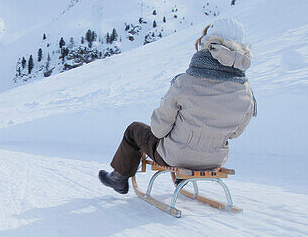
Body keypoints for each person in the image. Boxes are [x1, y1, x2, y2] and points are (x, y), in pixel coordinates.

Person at [98, 17, 256, 194]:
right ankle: (182, 179)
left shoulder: (186, 82)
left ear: (209, 45)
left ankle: (118, 178)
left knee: (134, 130)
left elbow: (159, 130)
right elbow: (235, 133)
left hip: (176, 157)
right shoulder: (246, 91)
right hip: (215, 160)